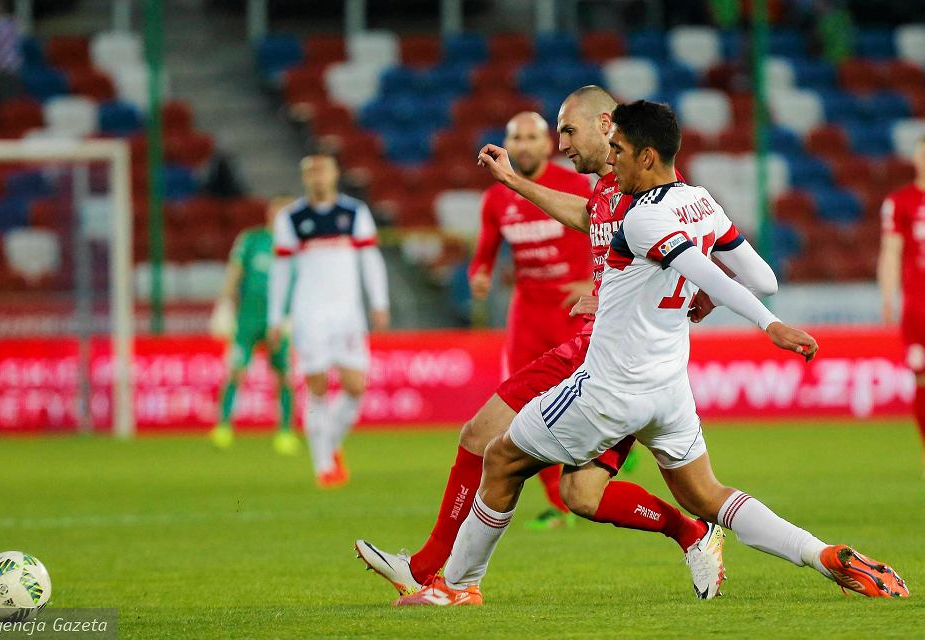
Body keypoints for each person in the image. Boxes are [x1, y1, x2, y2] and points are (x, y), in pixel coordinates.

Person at [396, 99, 908, 606]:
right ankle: (823, 554)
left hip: (610, 388)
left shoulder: (642, 218)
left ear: (646, 157)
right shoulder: (700, 201)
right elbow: (763, 277)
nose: (609, 159)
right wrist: (707, 298)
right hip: (668, 390)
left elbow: (701, 271)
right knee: (707, 496)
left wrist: (767, 325)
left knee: (502, 456)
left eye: (617, 149)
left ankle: (457, 588)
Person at [356, 88, 725, 601]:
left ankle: (428, 570)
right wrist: (512, 182)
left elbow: (693, 240)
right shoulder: (606, 187)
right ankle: (693, 533)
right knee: (582, 495)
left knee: (479, 437)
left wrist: (697, 291)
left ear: (605, 124)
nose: (561, 143)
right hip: (608, 354)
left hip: (607, 355)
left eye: (567, 131)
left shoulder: (646, 181)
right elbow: (587, 217)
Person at [469, 111, 594, 529]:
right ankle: (557, 504)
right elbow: (484, 252)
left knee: (584, 399)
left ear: (546, 144)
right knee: (521, 408)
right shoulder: (496, 199)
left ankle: (607, 456)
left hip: (572, 309)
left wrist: (591, 282)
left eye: (531, 137)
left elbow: (607, 239)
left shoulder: (576, 186)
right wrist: (480, 275)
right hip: (528, 311)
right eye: (515, 137)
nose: (522, 145)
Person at [268, 155, 389, 488]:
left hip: (348, 315)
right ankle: (323, 464)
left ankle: (330, 444)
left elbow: (370, 259)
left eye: (322, 170)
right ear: (305, 177)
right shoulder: (291, 218)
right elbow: (280, 272)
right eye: (310, 172)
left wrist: (379, 302)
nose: (317, 177)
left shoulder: (354, 213)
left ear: (335, 174)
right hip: (309, 315)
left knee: (355, 386)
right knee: (317, 387)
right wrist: (276, 317)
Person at [209, 197, 299, 455]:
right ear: (269, 213)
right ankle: (224, 427)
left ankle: (285, 431)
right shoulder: (251, 239)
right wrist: (224, 304)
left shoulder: (296, 247)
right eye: (277, 210)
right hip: (248, 318)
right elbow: (235, 272)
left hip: (280, 321)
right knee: (236, 370)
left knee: (283, 375)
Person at [879, 134, 925, 475]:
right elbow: (891, 252)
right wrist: (888, 297)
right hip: (918, 305)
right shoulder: (900, 202)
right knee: (921, 379)